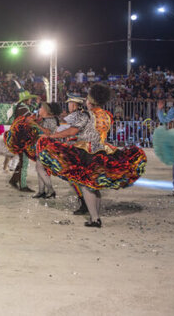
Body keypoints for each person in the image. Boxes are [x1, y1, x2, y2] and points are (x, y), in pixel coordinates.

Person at [37, 85, 147, 227]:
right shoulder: (107, 115)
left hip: (87, 151)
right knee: (95, 185)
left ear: (91, 100)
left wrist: (53, 135)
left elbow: (71, 131)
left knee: (86, 185)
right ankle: (95, 216)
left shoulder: (86, 115)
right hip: (103, 150)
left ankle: (95, 219)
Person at [7, 89, 39, 192]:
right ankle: (23, 185)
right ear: (26, 99)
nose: (31, 100)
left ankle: (13, 180)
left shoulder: (20, 107)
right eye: (29, 99)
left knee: (22, 161)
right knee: (24, 162)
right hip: (22, 139)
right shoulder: (23, 108)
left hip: (19, 137)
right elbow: (29, 121)